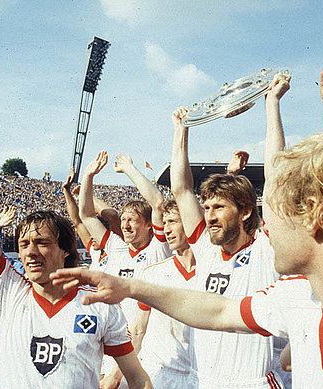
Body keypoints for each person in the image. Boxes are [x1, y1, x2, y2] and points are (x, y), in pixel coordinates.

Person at [52, 127, 323, 388]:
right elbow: (217, 308)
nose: (267, 223)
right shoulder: (299, 300)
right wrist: (129, 286)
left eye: (273, 207)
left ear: (318, 216)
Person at [0, 97, 151, 389]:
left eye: (41, 242)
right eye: (23, 244)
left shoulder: (100, 305)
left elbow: (138, 379)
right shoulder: (8, 292)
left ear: (65, 249)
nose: (29, 251)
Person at [156, 73, 290, 389]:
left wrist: (271, 104)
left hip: (251, 381)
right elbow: (181, 188)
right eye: (208, 208)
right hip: (200, 381)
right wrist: (181, 130)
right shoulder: (204, 247)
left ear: (245, 211)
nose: (210, 216)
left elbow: (276, 176)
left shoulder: (264, 248)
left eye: (219, 208)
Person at [79, 151, 171, 388]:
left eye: (133, 220)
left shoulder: (158, 250)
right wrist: (88, 176)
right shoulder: (117, 248)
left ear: (149, 225)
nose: (126, 225)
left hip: (145, 352)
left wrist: (129, 169)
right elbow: (87, 216)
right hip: (114, 348)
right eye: (124, 220)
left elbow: (158, 203)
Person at [105, 200, 197, 389]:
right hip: (159, 373)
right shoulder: (154, 273)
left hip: (198, 375)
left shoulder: (210, 272)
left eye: (173, 222)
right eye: (164, 223)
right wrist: (115, 376)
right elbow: (139, 329)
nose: (167, 229)